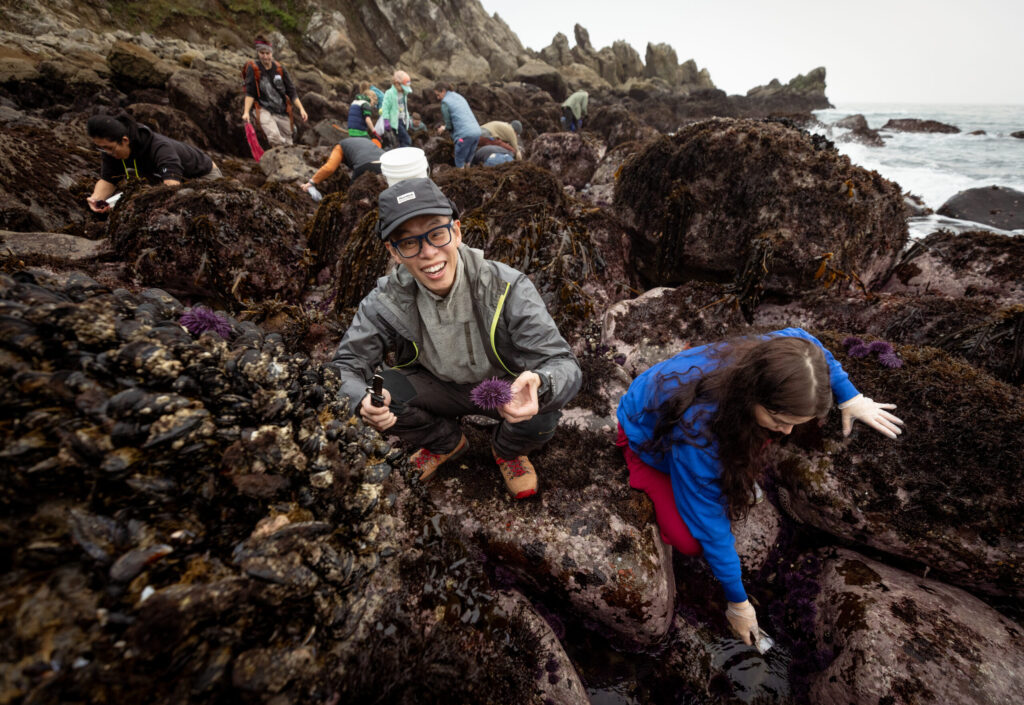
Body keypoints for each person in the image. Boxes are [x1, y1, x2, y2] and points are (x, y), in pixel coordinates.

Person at [616, 328, 905, 646]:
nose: (788, 430)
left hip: (711, 418)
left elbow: (811, 346)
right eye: (780, 418)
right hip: (647, 437)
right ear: (752, 394)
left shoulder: (778, 355)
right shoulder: (697, 432)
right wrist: (738, 603)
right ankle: (647, 465)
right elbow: (710, 523)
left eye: (798, 420)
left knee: (752, 445)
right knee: (690, 542)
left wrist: (851, 397)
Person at [332, 178, 581, 498]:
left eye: (437, 233)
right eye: (409, 243)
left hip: (503, 387)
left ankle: (509, 450)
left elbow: (563, 363)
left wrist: (542, 383)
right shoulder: (385, 300)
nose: (428, 253)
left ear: (457, 231)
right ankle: (445, 441)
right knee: (377, 394)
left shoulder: (507, 286)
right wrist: (361, 401)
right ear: (393, 251)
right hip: (435, 385)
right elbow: (347, 364)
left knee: (542, 412)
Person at [85, 113, 221, 213]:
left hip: (202, 175)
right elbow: (108, 180)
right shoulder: (111, 149)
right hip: (159, 176)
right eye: (102, 148)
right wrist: (97, 199)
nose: (107, 152)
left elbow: (171, 189)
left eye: (109, 148)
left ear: (125, 140)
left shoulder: (160, 148)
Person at [241, 35, 308, 147]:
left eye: (268, 54)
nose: (265, 57)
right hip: (263, 109)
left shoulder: (280, 69)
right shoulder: (253, 69)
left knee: (289, 143)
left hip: (281, 111)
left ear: (272, 53)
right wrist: (246, 112)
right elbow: (250, 92)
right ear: (258, 53)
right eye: (262, 53)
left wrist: (301, 109)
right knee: (275, 137)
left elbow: (291, 91)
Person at [302, 137, 384, 193]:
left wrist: (311, 183)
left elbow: (329, 168)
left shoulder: (339, 147)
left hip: (363, 165)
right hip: (384, 162)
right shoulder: (362, 141)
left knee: (352, 194)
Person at [434, 83, 482, 168]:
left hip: (463, 137)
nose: (438, 98)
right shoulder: (459, 97)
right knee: (468, 159)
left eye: (438, 95)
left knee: (459, 157)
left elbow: (449, 125)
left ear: (444, 91)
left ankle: (462, 177)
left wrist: (443, 128)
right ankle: (468, 172)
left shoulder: (445, 102)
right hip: (477, 132)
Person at [380, 70, 414, 148]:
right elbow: (385, 108)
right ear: (396, 83)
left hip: (403, 120)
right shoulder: (389, 93)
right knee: (407, 140)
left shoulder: (404, 93)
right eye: (403, 87)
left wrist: (408, 119)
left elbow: (405, 107)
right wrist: (386, 120)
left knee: (401, 141)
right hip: (395, 121)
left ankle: (400, 156)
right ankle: (403, 157)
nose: (404, 89)